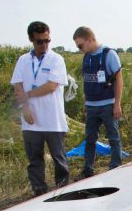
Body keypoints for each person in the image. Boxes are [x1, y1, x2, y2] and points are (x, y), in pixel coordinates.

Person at [11, 21, 70, 196]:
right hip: (31, 121)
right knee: (35, 159)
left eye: (47, 40)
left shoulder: (56, 59)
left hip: (53, 119)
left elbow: (52, 86)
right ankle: (39, 192)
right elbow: (17, 85)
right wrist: (25, 107)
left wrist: (28, 95)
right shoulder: (23, 60)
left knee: (59, 158)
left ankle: (63, 191)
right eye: (40, 41)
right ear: (31, 39)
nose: (44, 45)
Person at [72, 26, 124, 179]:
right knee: (90, 140)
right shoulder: (86, 57)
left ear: (89, 40)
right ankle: (88, 170)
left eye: (81, 46)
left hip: (108, 105)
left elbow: (119, 80)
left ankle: (116, 167)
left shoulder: (109, 54)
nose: (80, 49)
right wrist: (86, 103)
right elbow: (87, 81)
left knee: (113, 138)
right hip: (91, 106)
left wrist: (117, 104)